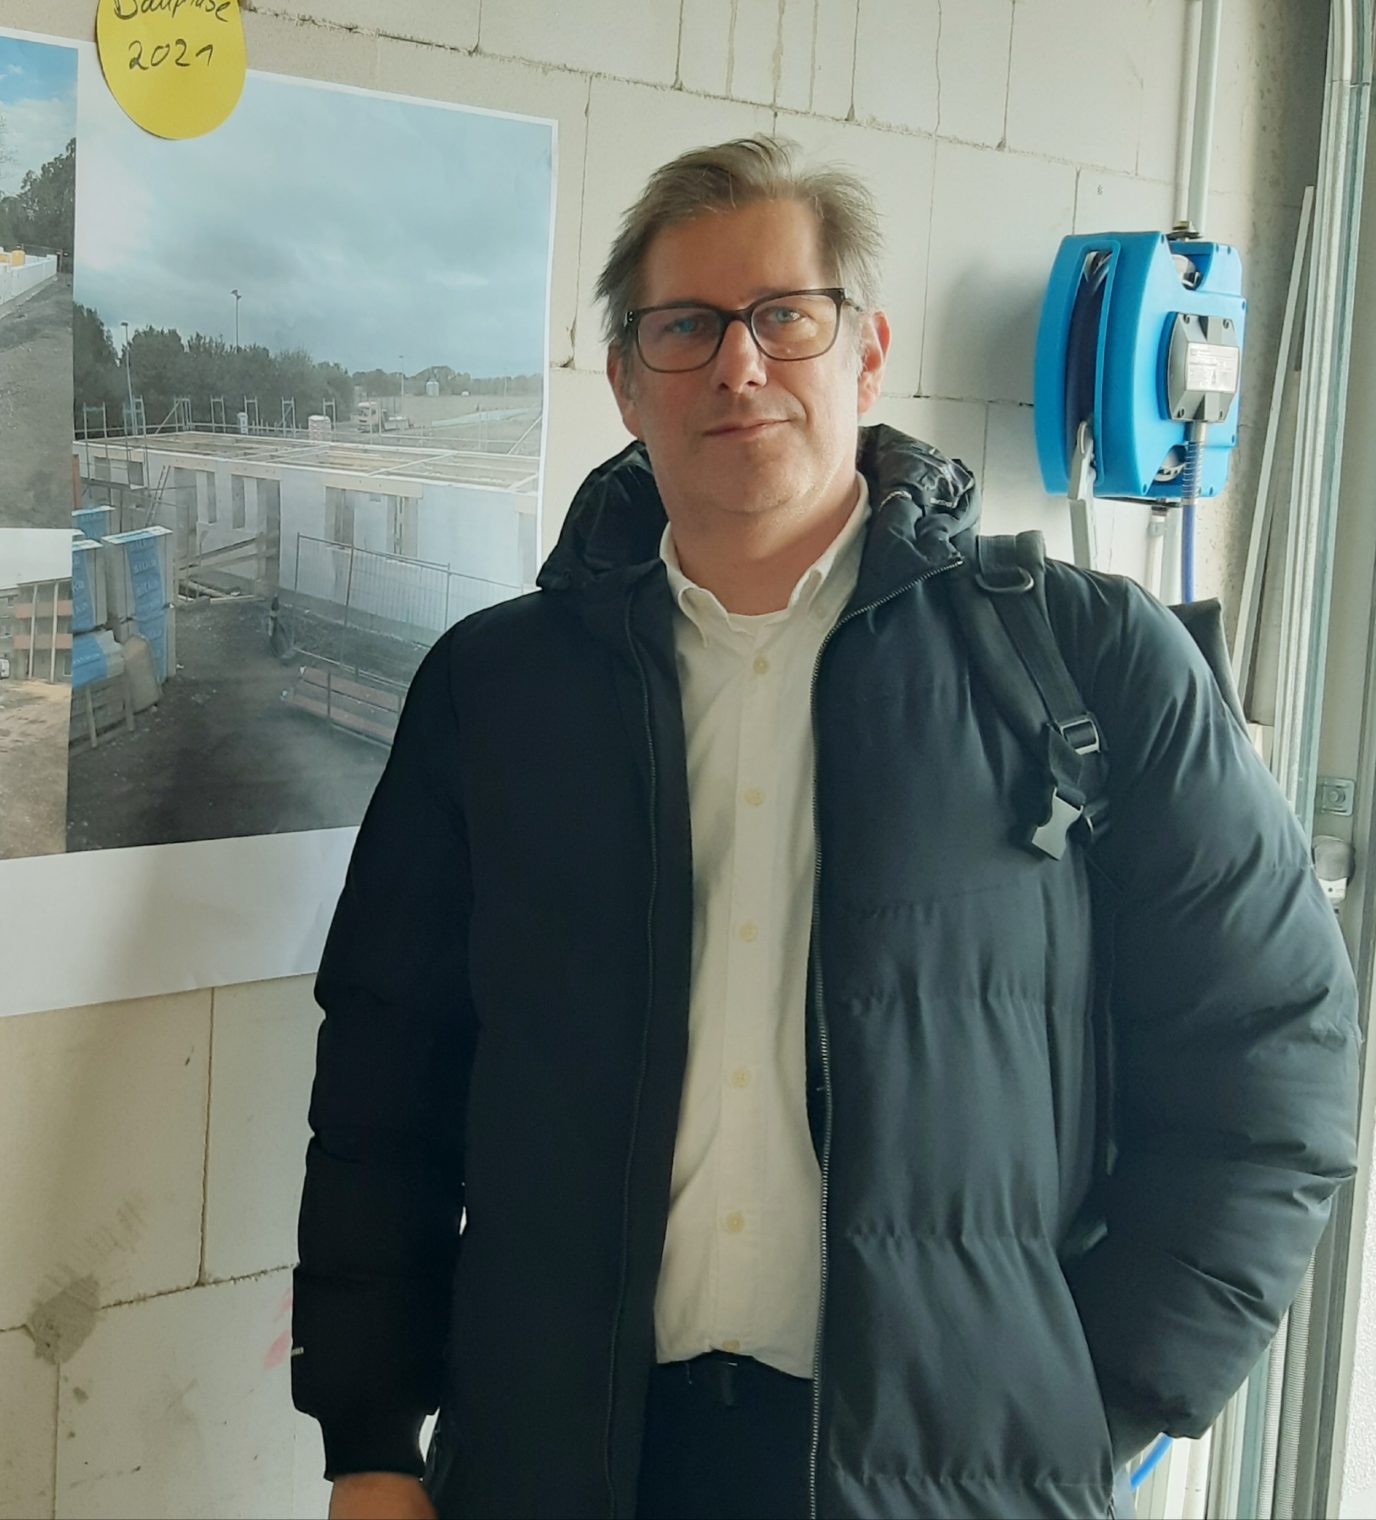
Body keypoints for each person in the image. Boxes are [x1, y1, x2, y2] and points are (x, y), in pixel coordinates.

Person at [294, 136, 1358, 1519]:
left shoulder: (1087, 660)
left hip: (943, 1475)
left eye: (785, 316)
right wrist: (371, 1438)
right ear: (624, 380)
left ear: (866, 355)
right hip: (561, 1463)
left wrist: (1093, 1400)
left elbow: (1271, 1056)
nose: (738, 366)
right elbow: (384, 1080)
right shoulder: (494, 691)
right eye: (685, 327)